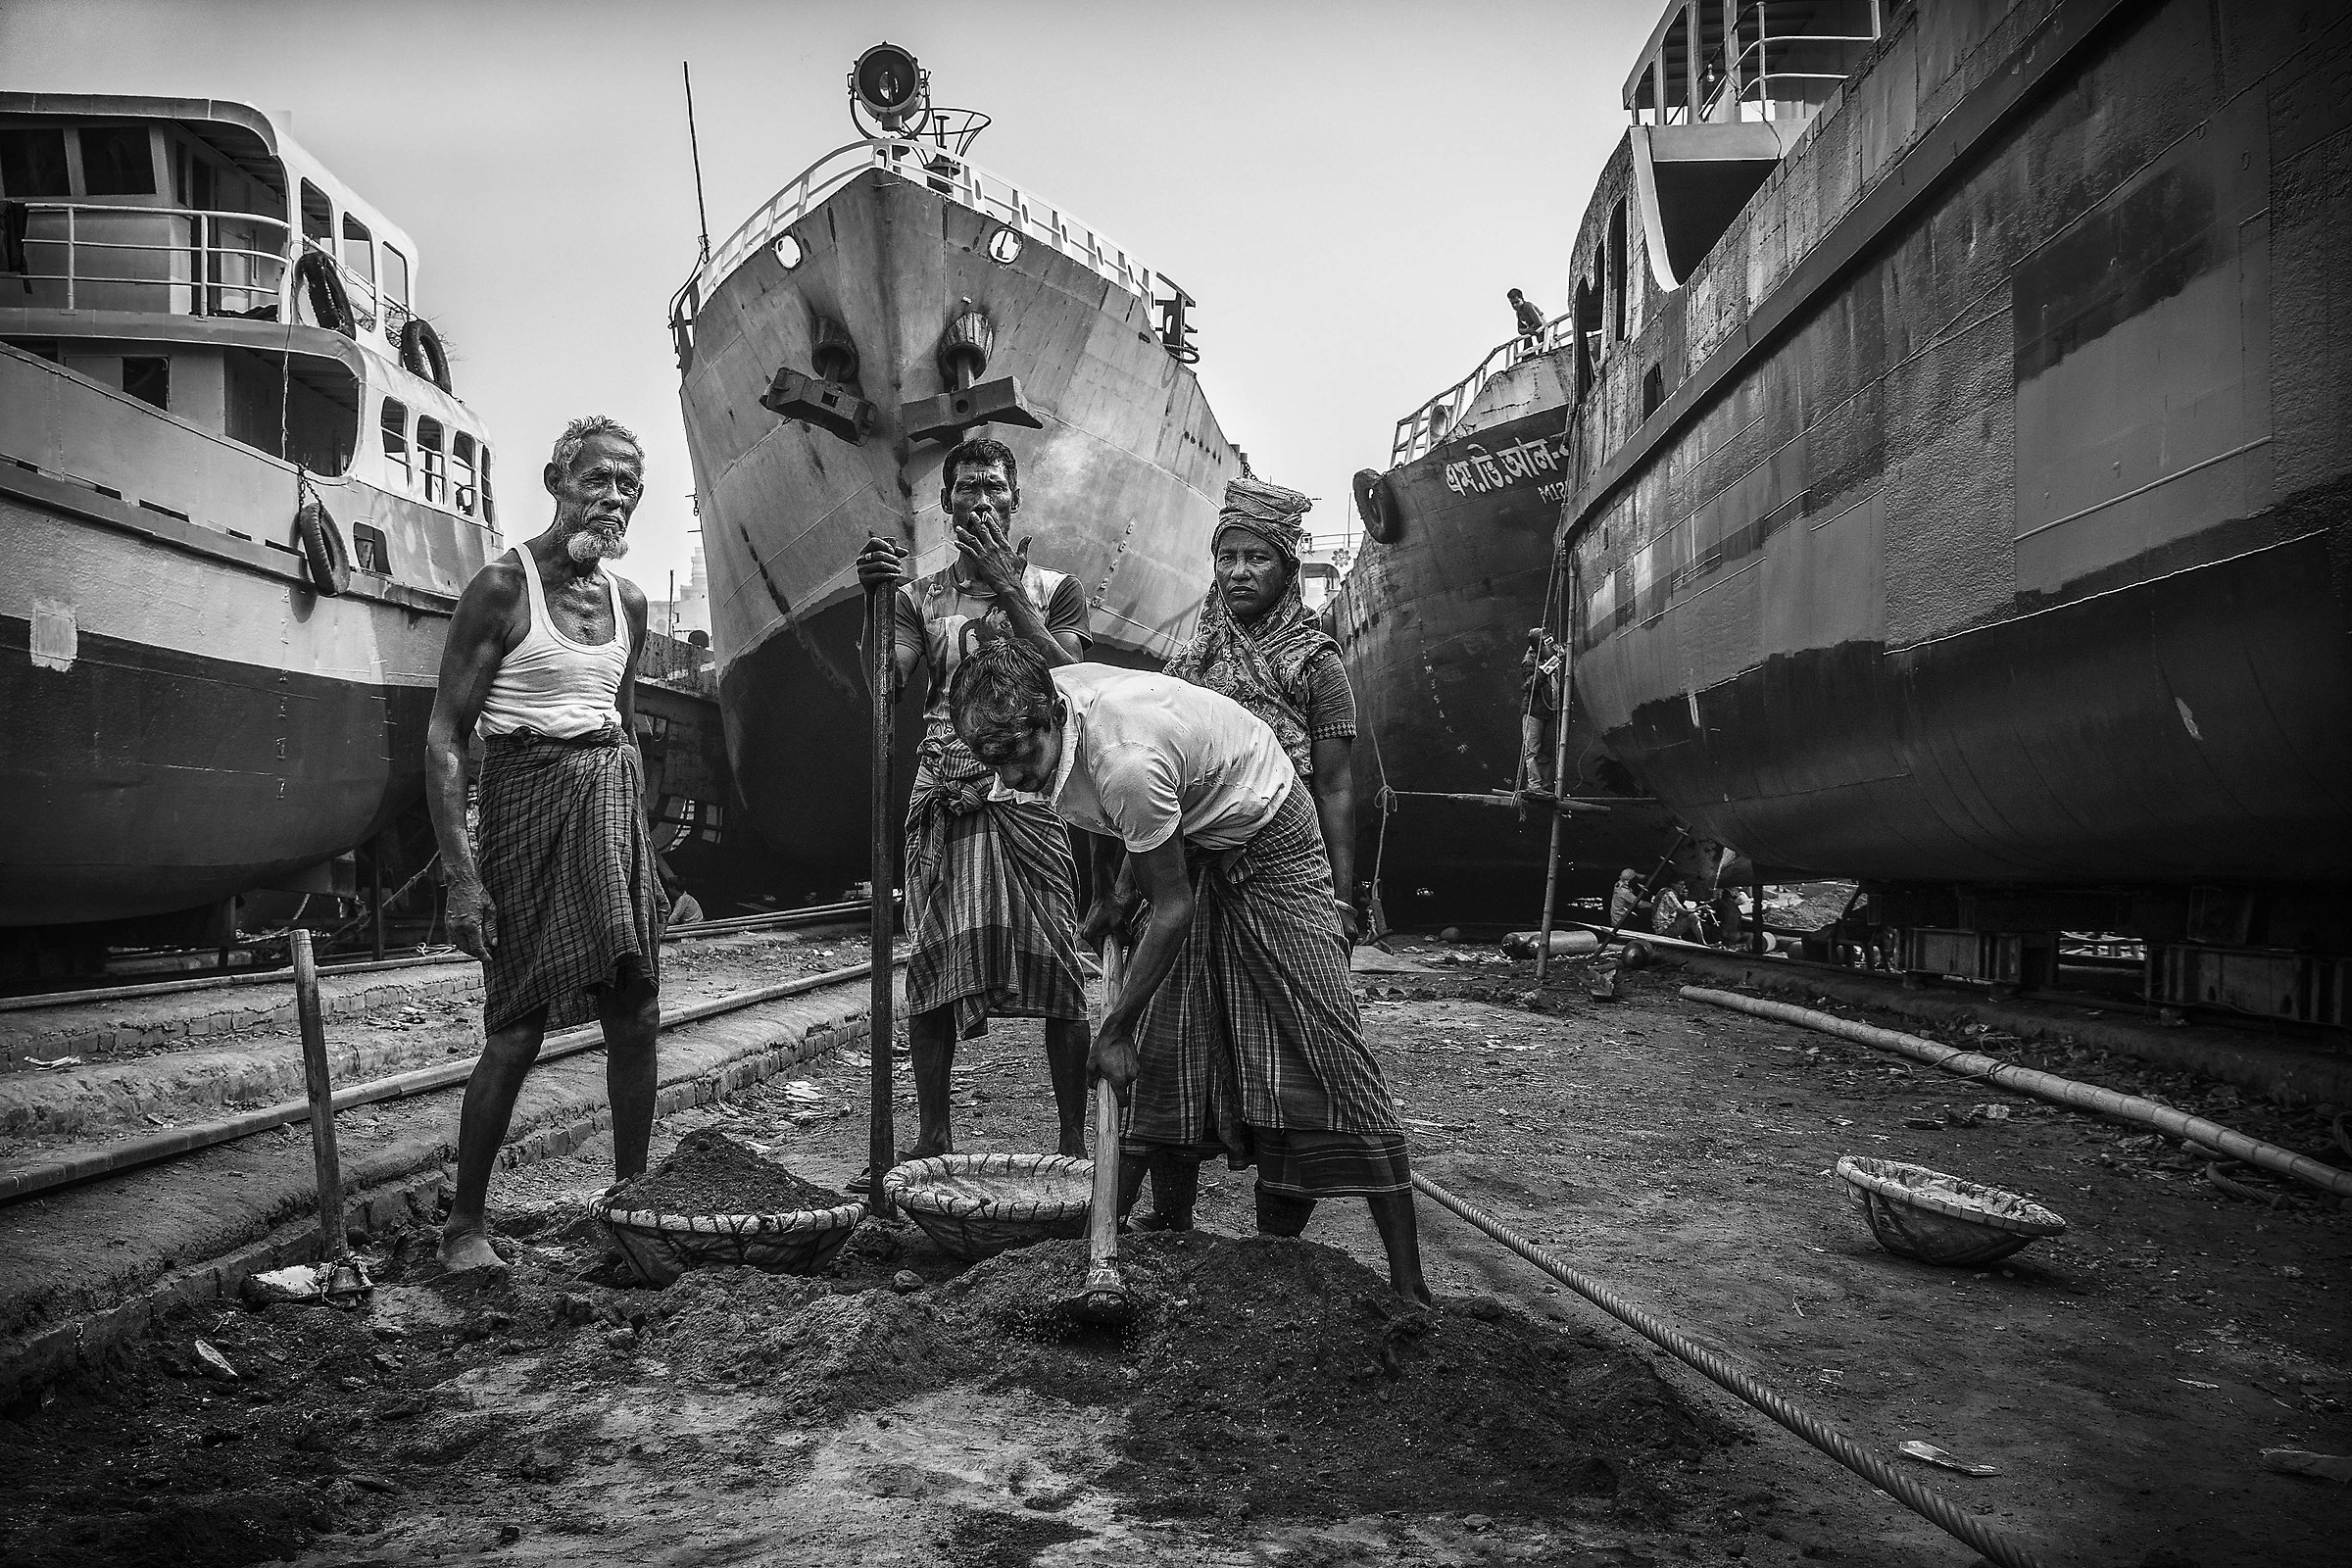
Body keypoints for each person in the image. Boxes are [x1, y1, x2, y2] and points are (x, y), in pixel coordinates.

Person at [949, 640, 1431, 1305]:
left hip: (1265, 828)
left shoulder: (1126, 762)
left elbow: (1170, 902)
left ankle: (1410, 1292)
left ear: (1053, 716)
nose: (1012, 774)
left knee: (1324, 1049)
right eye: (991, 761)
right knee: (1169, 1038)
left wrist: (1114, 1027)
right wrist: (1114, 894)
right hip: (1191, 823)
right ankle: (1108, 1243)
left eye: (1021, 756)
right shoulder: (1048, 710)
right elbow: (1104, 810)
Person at [423, 416, 663, 1274]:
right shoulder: (501, 588)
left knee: (634, 1015)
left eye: (628, 485)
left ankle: (635, 1213)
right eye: (597, 479)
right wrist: (460, 877)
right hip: (525, 808)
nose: (613, 497)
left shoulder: (629, 603)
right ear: (557, 478)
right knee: (517, 1026)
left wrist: (643, 854)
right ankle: (464, 1225)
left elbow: (625, 730)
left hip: (608, 809)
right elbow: (447, 735)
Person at [853, 436, 1094, 1179]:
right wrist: (871, 605)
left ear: (1015, 500)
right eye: (965, 490)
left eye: (994, 488)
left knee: (1056, 967)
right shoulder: (918, 596)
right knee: (929, 967)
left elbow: (1076, 681)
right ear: (946, 502)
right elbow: (885, 691)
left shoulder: (1058, 589)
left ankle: (1074, 1143)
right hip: (945, 797)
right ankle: (932, 1136)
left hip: (1031, 793)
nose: (980, 500)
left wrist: (1006, 586)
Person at [1131, 474, 1357, 1232]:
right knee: (1173, 1046)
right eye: (1226, 556)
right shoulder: (1189, 661)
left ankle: (1276, 1252)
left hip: (1278, 884)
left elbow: (1335, 788)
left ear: (1287, 566)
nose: (1237, 572)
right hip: (1193, 885)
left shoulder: (1316, 663)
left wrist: (1341, 899)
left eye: (1254, 557)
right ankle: (1170, 1227)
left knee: (1287, 1056)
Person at [1520, 628, 1563, 802]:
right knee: (1532, 749)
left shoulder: (1552, 652)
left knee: (1546, 751)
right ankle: (1534, 785)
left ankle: (1545, 786)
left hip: (1549, 711)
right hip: (1534, 711)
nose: (1550, 645)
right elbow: (1529, 685)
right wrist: (1546, 670)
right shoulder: (1529, 660)